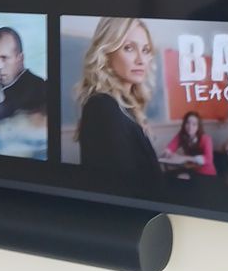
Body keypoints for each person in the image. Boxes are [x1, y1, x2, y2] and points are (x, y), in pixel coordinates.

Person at [73, 17, 162, 199]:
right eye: (129, 48)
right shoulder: (102, 107)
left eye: (145, 50)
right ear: (106, 53)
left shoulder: (122, 106)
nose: (141, 60)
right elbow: (122, 190)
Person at [163, 110, 216, 176]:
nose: (190, 127)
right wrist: (168, 153)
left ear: (198, 127)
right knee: (167, 176)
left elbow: (208, 159)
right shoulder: (181, 135)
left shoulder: (206, 139)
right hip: (191, 171)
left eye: (194, 124)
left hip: (207, 173)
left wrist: (185, 158)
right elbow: (170, 147)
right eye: (187, 123)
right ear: (184, 124)